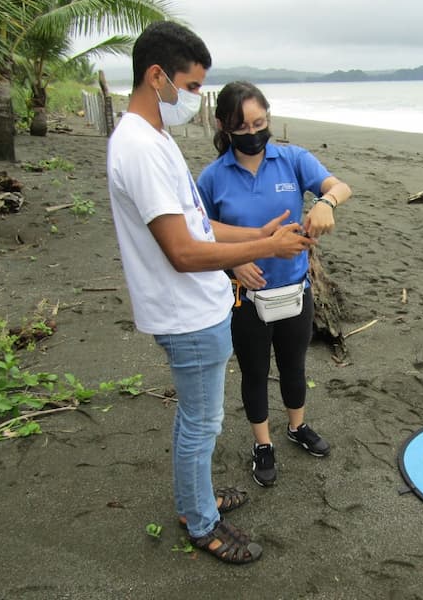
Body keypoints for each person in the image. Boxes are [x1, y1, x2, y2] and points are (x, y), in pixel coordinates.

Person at [107, 23, 315, 564]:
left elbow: (201, 226)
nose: (196, 97)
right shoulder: (140, 148)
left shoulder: (155, 140)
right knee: (202, 425)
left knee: (195, 420)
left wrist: (263, 237)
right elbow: (183, 251)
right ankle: (202, 523)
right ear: (157, 77)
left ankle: (196, 498)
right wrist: (264, 251)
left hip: (199, 309)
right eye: (192, 86)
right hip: (186, 315)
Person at [197, 81, 352, 487]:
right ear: (223, 126)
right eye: (242, 127)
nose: (252, 134)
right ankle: (262, 443)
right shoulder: (214, 178)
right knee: (254, 371)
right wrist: (234, 266)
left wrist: (325, 202)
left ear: (269, 117)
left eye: (259, 123)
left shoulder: (292, 159)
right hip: (245, 297)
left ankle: (297, 427)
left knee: (293, 364)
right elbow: (199, 233)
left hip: (294, 290)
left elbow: (340, 186)